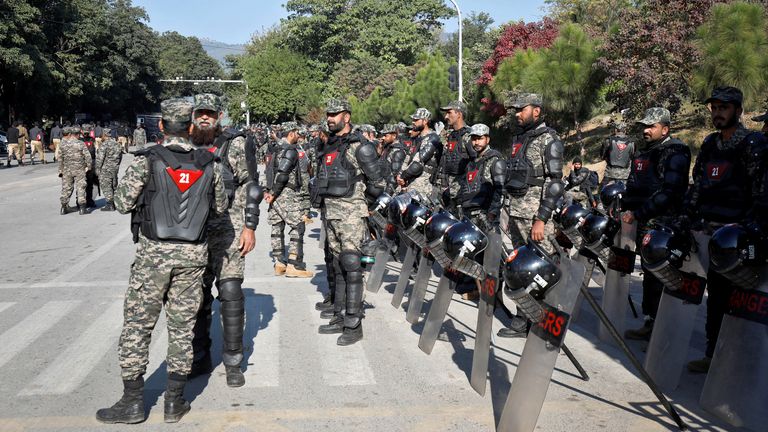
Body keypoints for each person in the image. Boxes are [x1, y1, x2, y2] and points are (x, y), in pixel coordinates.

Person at [96, 99, 228, 424]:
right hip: (192, 258)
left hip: (153, 255)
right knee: (182, 329)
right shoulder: (212, 164)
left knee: (138, 326)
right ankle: (174, 403)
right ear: (193, 127)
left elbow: (123, 203)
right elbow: (221, 209)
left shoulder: (147, 160)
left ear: (161, 126)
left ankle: (132, 402)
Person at [684, 86, 768, 372]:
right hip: (713, 238)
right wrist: (689, 218)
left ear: (738, 111)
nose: (718, 113)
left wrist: (749, 227)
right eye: (715, 108)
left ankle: (747, 364)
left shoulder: (753, 144)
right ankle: (713, 356)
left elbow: (761, 194)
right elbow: (699, 187)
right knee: (717, 299)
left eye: (725, 108)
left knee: (746, 304)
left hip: (742, 239)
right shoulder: (710, 144)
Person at [188, 94, 262, 386]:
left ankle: (233, 361)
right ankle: (200, 356)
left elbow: (250, 185)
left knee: (230, 293)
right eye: (200, 113)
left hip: (229, 229)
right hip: (193, 232)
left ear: (219, 115)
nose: (204, 117)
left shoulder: (234, 143)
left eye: (210, 113)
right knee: (197, 296)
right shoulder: (185, 144)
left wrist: (250, 227)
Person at [495, 92, 565, 338]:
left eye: (520, 109)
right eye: (515, 110)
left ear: (536, 110)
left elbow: (555, 183)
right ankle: (524, 318)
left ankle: (546, 322)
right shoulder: (518, 138)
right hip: (515, 213)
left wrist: (542, 219)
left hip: (535, 216)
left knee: (543, 269)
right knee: (521, 269)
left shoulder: (549, 140)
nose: (516, 113)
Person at [315, 99, 384, 345]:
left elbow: (378, 183)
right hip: (331, 211)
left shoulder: (360, 147)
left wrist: (362, 207)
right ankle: (340, 314)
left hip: (351, 212)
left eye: (335, 114)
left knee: (352, 264)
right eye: (328, 114)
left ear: (347, 116)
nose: (330, 118)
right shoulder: (330, 144)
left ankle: (354, 324)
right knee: (337, 264)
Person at [621, 107, 691, 341]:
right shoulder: (643, 153)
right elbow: (633, 186)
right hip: (643, 222)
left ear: (665, 128)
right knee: (649, 275)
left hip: (664, 224)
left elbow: (669, 193)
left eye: (651, 126)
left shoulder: (675, 152)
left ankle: (665, 329)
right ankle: (651, 322)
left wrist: (639, 213)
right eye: (644, 126)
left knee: (663, 275)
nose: (646, 130)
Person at [264, 121, 313, 278]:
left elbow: (268, 170)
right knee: (298, 226)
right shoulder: (289, 150)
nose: (299, 136)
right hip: (286, 193)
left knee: (277, 226)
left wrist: (268, 191)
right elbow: (283, 174)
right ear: (291, 133)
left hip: (275, 193)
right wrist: (275, 192)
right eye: (297, 133)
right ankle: (294, 265)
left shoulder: (275, 148)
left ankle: (279, 263)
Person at [397, 108, 443, 203]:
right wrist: (400, 175)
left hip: (423, 183)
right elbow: (408, 158)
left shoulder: (433, 138)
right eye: (413, 119)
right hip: (410, 180)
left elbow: (418, 163)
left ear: (425, 121)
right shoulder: (417, 139)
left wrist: (403, 176)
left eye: (416, 120)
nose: (413, 122)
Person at [440, 100, 474, 211]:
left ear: (459, 114)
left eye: (449, 113)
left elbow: (477, 162)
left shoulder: (469, 136)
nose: (446, 116)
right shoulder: (451, 135)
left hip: (463, 193)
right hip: (449, 192)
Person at [58, 126, 91, 215]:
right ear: (78, 134)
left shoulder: (62, 144)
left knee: (66, 188)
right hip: (79, 169)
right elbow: (88, 157)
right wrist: (89, 167)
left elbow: (60, 158)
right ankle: (82, 209)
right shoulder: (80, 143)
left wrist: (60, 170)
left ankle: (64, 207)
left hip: (67, 170)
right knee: (81, 188)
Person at [600, 121, 635, 189]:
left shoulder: (608, 141)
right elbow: (633, 157)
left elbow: (602, 156)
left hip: (610, 173)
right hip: (625, 175)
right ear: (625, 130)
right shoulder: (632, 143)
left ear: (616, 130)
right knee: (625, 194)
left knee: (605, 194)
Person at [94, 128, 123, 211]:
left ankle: (110, 204)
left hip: (106, 168)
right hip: (114, 168)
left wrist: (97, 169)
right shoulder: (117, 144)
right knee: (113, 185)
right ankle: (115, 203)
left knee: (106, 186)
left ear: (104, 134)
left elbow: (100, 158)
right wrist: (116, 165)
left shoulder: (104, 144)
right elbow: (120, 157)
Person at [377, 124, 408, 194]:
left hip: (391, 189)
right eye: (383, 135)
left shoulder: (398, 150)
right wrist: (380, 145)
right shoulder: (388, 146)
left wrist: (388, 193)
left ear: (394, 135)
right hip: (382, 182)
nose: (383, 138)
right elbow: (379, 156)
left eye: (386, 135)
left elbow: (395, 176)